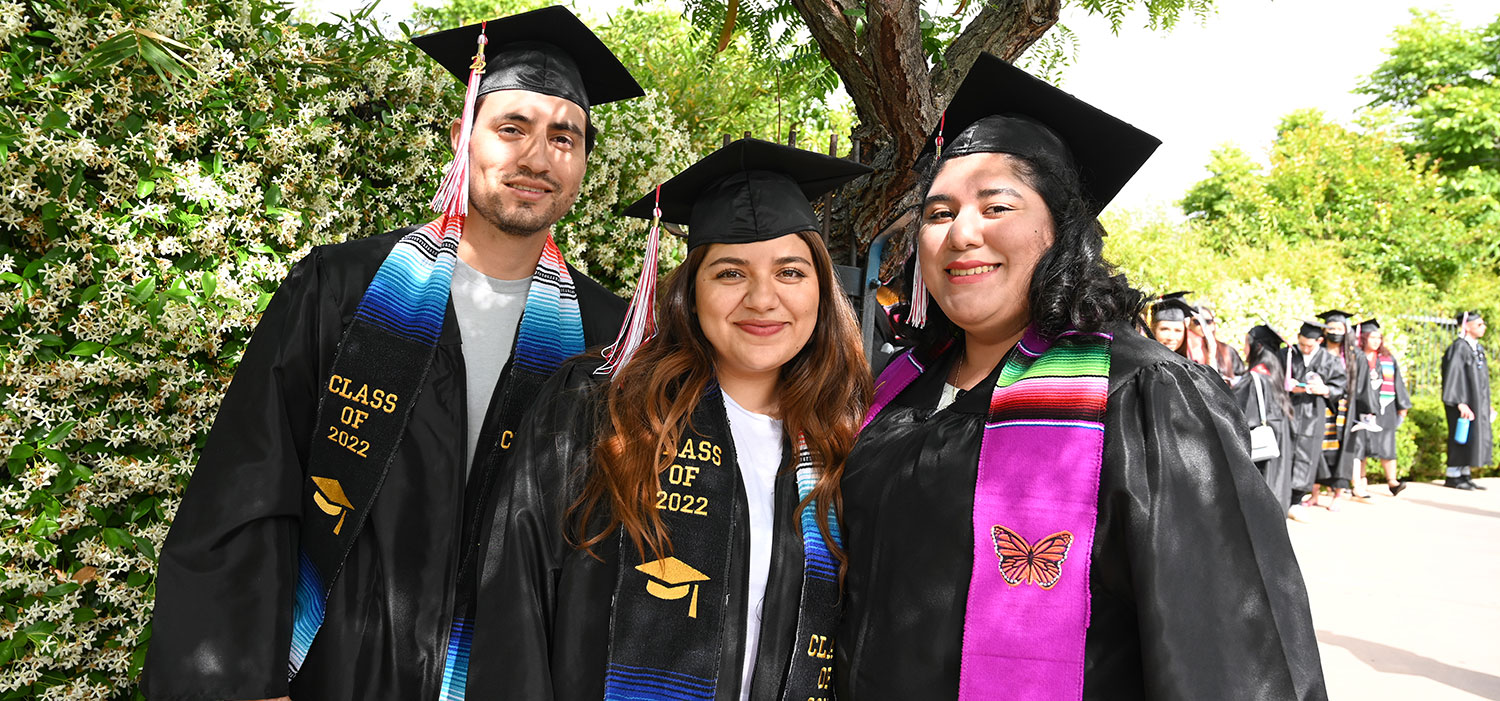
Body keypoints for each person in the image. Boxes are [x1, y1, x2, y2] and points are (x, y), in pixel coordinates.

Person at [143, 8, 641, 699]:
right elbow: (253, 483)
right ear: (461, 137)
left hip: (511, 672)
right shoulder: (343, 289)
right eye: (512, 128)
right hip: (337, 667)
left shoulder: (609, 334)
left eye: (565, 136)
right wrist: (250, 677)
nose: (537, 157)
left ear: (585, 159)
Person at [837, 54, 1325, 700]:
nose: (962, 233)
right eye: (938, 213)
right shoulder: (896, 390)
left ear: (1060, 231)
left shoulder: (1142, 397)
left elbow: (1227, 654)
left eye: (996, 205)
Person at [468, 139, 873, 699]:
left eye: (790, 272)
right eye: (730, 273)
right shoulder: (598, 412)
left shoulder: (841, 448)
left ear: (821, 293)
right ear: (692, 293)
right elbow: (513, 595)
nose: (763, 298)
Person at [1313, 309, 1374, 506]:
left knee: (1343, 452)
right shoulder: (1318, 352)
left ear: (1346, 330)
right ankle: (1314, 493)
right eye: (1331, 327)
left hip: (1346, 410)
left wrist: (1367, 411)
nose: (1335, 331)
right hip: (1321, 405)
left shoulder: (1355, 356)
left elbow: (1364, 386)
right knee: (1317, 448)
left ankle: (1338, 494)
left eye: (1340, 328)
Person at [1234, 324, 1296, 512]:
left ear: (1257, 346)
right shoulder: (1275, 375)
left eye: (1246, 343)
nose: (1244, 349)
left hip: (1261, 455)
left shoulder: (1254, 378)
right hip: (1278, 449)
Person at [1289, 320, 1346, 513]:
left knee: (1307, 454)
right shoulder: (1288, 354)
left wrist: (1325, 389)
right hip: (1290, 411)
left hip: (1314, 413)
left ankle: (1297, 498)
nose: (1304, 348)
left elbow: (1340, 386)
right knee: (1287, 452)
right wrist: (1288, 387)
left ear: (1320, 341)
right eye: (1302, 344)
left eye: (1309, 345)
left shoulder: (1329, 360)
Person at [1352, 319, 1411, 496]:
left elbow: (1398, 383)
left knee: (1387, 443)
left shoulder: (1387, 359)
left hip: (1386, 408)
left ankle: (1392, 482)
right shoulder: (1356, 357)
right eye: (1372, 337)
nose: (1377, 341)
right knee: (1361, 444)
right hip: (1362, 408)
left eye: (1379, 337)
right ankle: (1361, 481)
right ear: (1363, 338)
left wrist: (1403, 406)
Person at [1442, 310, 1492, 490]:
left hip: (1476, 401)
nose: (1483, 327)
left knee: (1472, 436)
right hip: (1462, 402)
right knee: (1460, 436)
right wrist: (1459, 402)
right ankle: (1453, 475)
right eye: (1479, 324)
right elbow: (1453, 376)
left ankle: (1464, 473)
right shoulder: (1459, 347)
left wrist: (1487, 404)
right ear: (1466, 326)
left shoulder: (1476, 348)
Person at [1148, 291, 1193, 356]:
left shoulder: (1189, 363)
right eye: (1164, 329)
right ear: (1153, 329)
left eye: (1178, 330)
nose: (1171, 337)